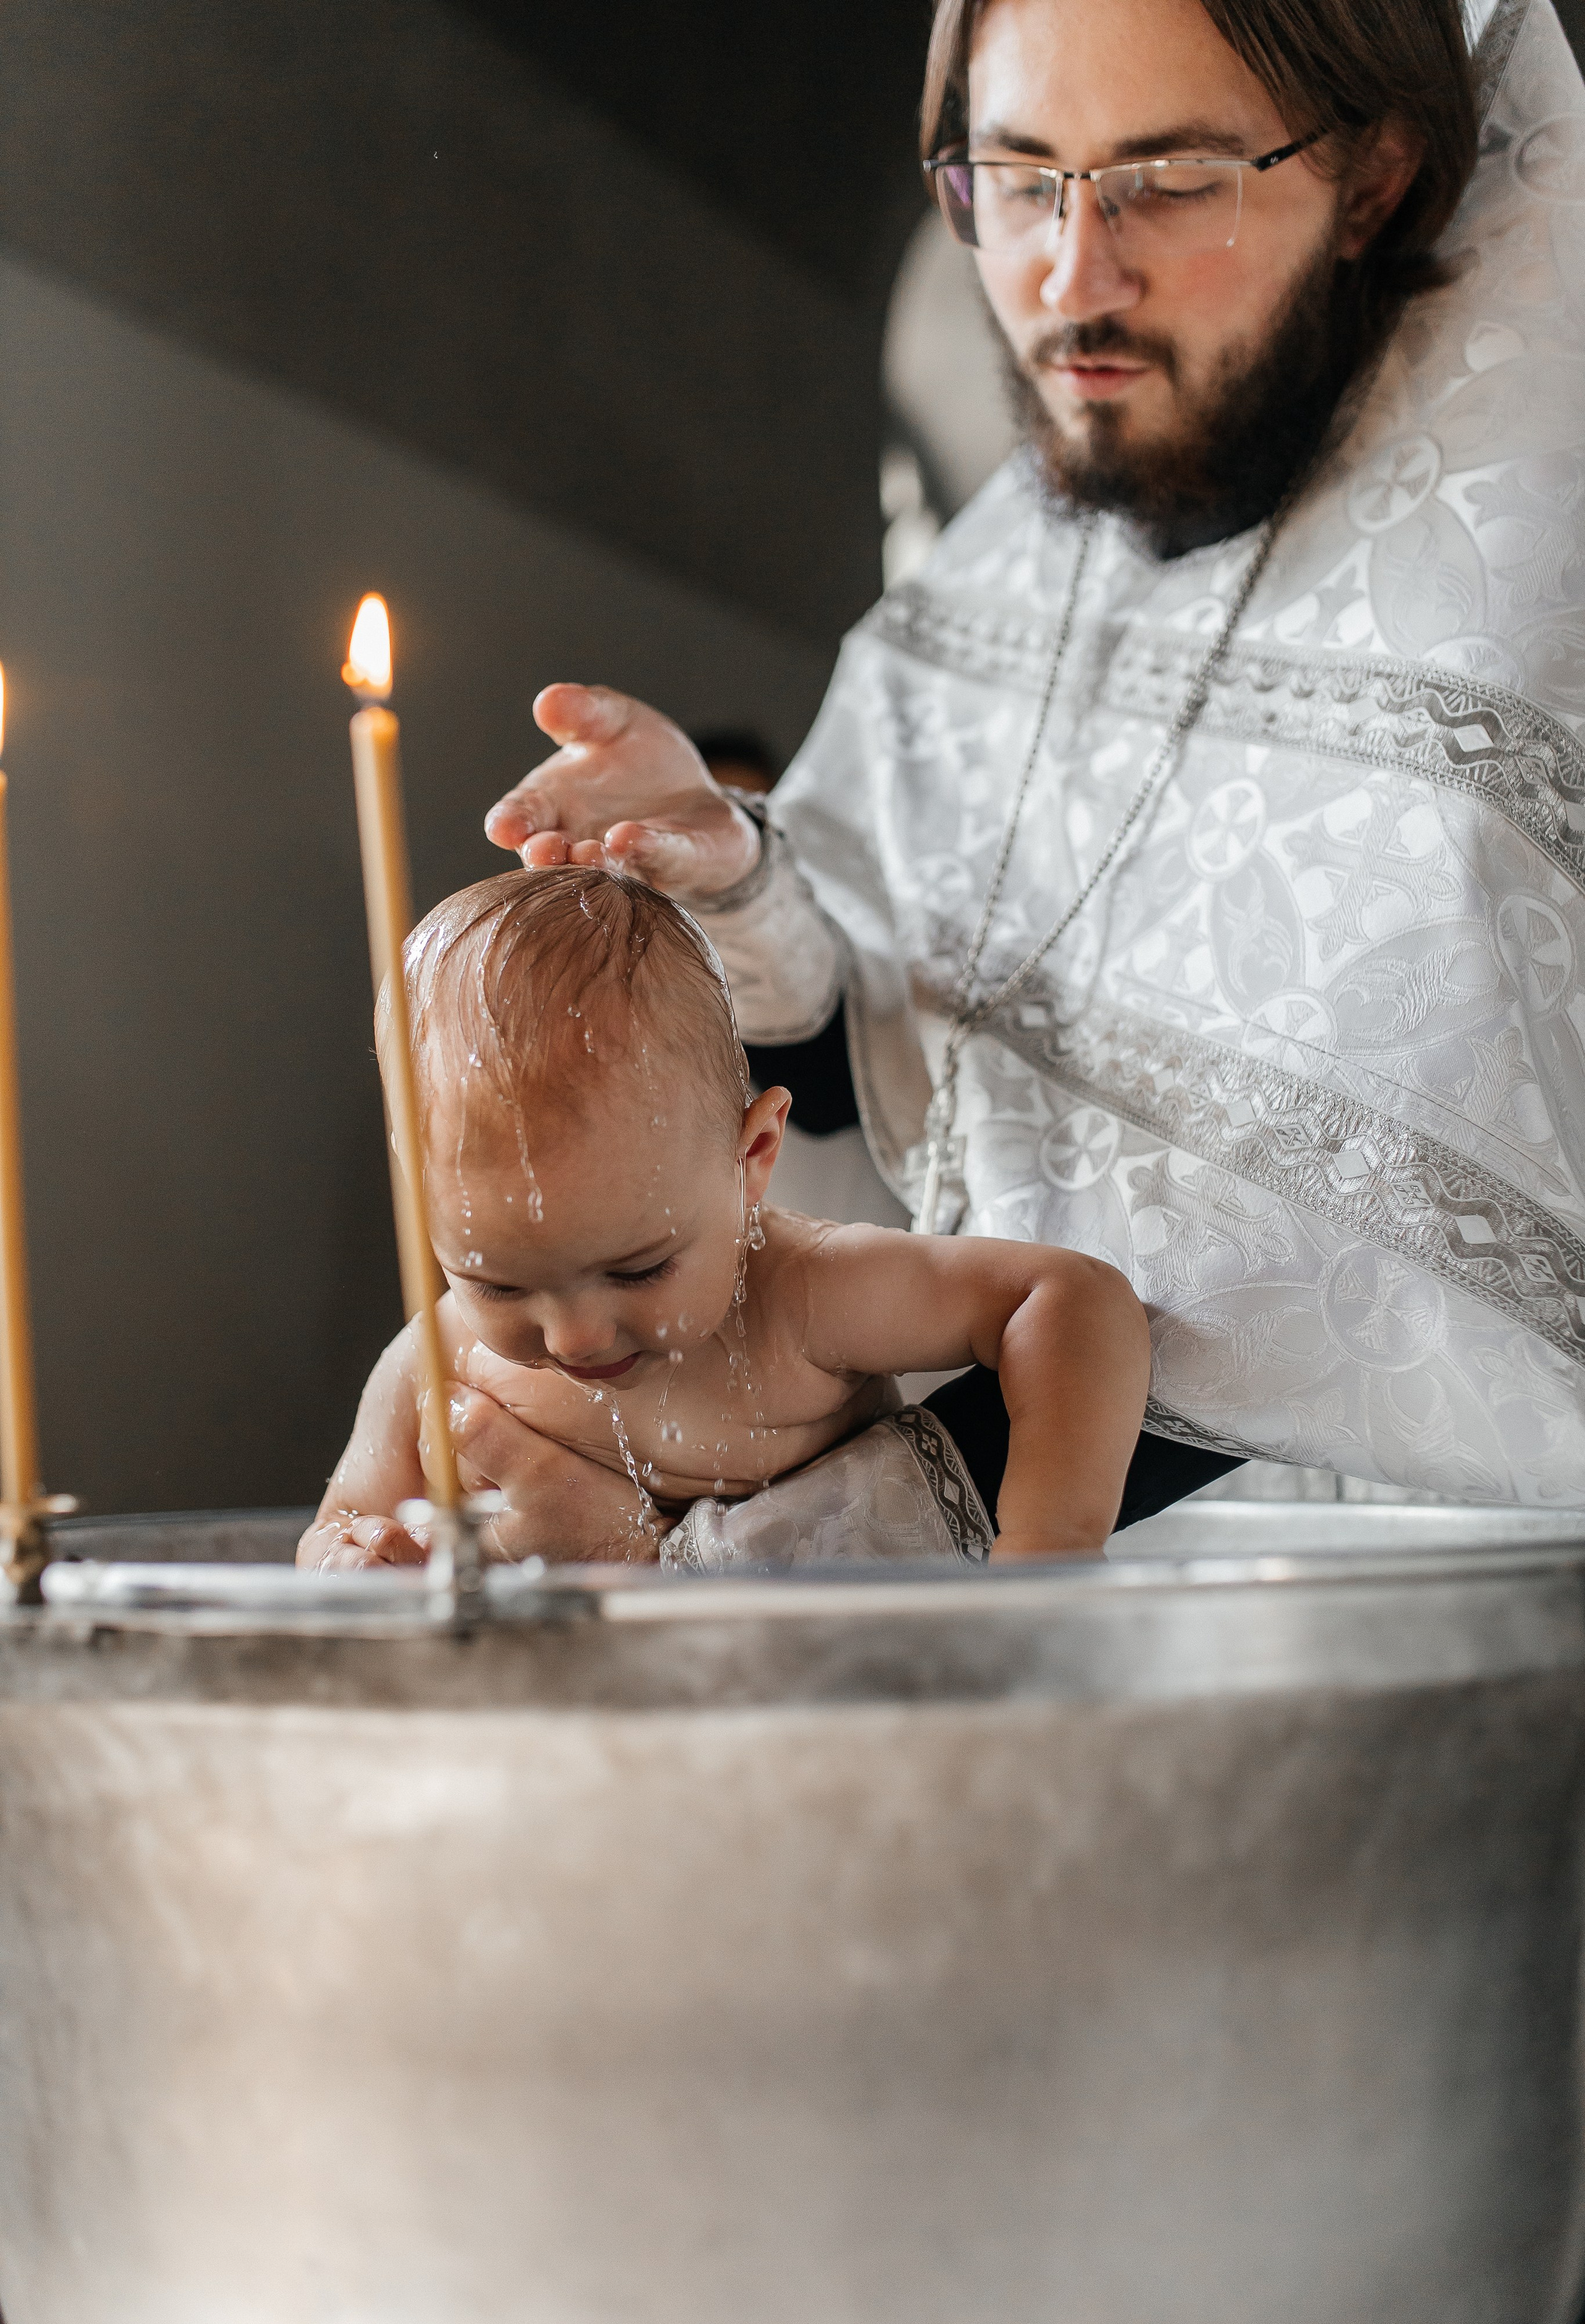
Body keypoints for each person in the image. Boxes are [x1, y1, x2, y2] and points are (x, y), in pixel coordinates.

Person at [478, 0, 1585, 1533]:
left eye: (1172, 179)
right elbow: (876, 1112)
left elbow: (1341, 1285)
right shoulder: (977, 608)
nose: (1072, 280)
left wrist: (791, 1558)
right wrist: (737, 881)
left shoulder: (1531, 630)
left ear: (1376, 178)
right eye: (1011, 178)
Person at [300, 869, 1150, 1570]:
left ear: (753, 1159)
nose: (575, 1337)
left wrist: (1049, 1545)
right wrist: (361, 1564)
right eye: (499, 1280)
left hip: (816, 1681)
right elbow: (333, 1530)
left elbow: (1069, 1296)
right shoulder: (436, 1361)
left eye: (638, 1269)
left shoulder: (804, 1296)